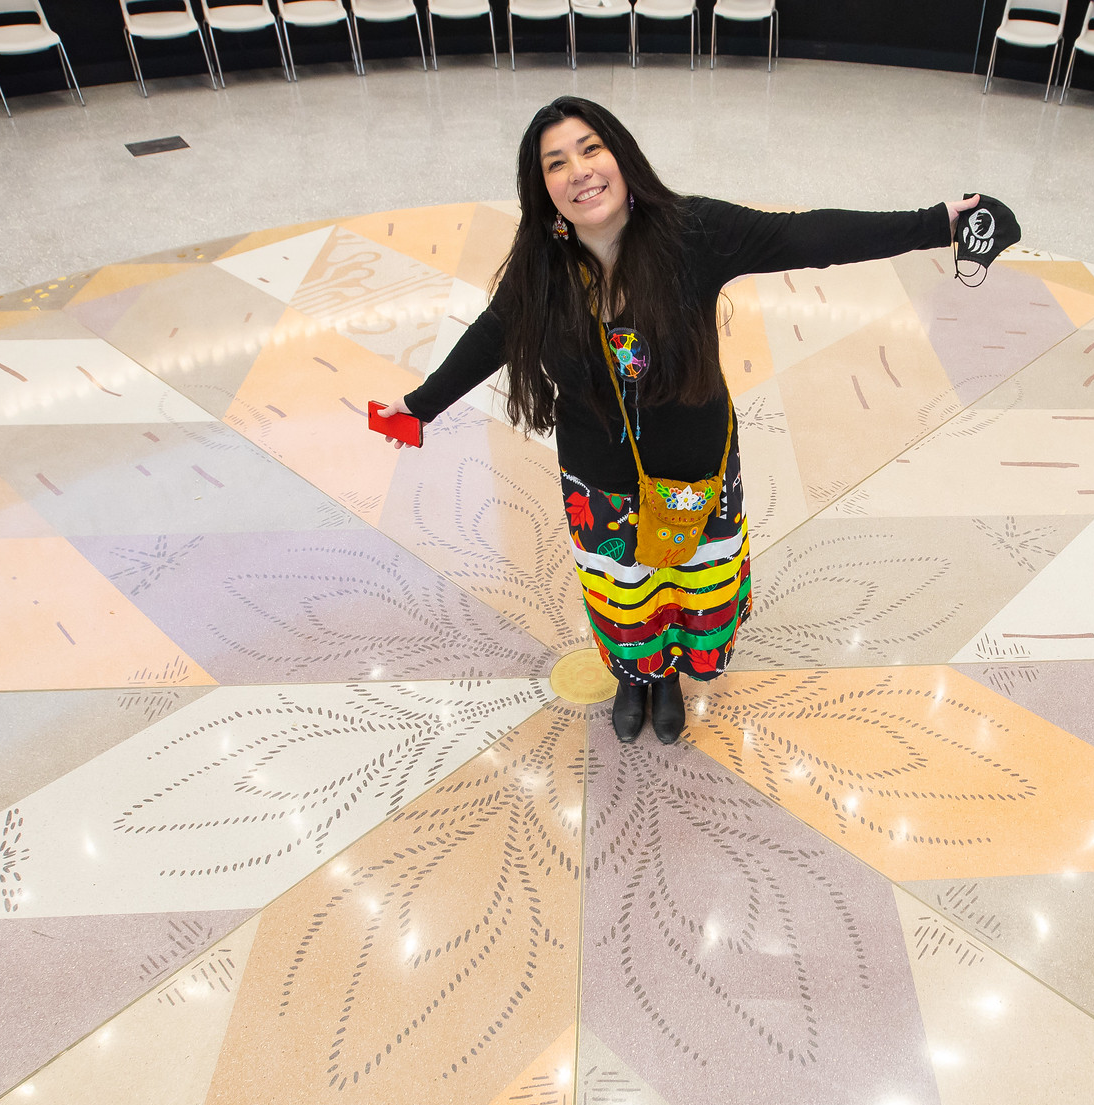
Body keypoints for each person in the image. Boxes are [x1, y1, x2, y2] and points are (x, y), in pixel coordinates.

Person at [377, 96, 989, 746]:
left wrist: (939, 223)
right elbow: (492, 334)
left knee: (691, 584)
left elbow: (808, 236)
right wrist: (419, 406)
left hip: (697, 469)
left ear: (621, 155)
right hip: (599, 482)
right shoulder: (541, 268)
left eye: (590, 149)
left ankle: (667, 675)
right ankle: (635, 676)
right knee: (624, 590)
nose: (579, 172)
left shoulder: (689, 231)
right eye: (556, 163)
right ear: (542, 187)